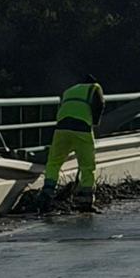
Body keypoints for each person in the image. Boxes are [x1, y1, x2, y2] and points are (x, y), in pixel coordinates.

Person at [39, 79, 105, 212]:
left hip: (61, 127)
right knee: (87, 165)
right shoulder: (94, 87)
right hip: (82, 128)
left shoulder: (69, 90)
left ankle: (47, 193)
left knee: (54, 162)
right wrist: (95, 122)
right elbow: (100, 104)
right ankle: (85, 201)